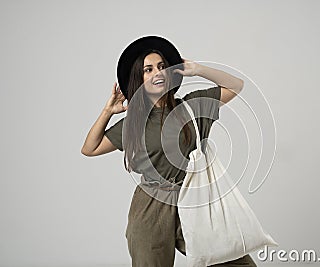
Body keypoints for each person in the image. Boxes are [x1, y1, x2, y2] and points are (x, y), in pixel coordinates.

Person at [81, 36, 257, 267]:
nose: (158, 73)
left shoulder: (193, 106)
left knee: (235, 261)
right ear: (139, 78)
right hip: (151, 206)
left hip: (194, 199)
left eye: (163, 67)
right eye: (149, 69)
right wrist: (108, 111)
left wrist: (198, 69)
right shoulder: (133, 123)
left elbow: (236, 86)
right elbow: (90, 148)